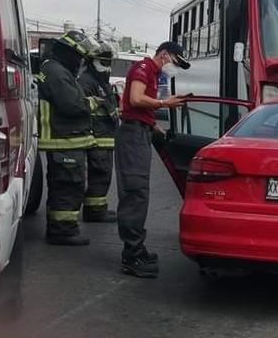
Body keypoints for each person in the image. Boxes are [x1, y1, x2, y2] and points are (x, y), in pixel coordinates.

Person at [116, 42, 189, 278]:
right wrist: (164, 104)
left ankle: (137, 248)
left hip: (141, 132)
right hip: (132, 136)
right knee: (135, 192)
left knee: (140, 193)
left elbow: (138, 108)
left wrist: (154, 126)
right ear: (164, 55)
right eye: (175, 62)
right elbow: (136, 99)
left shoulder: (153, 73)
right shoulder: (143, 68)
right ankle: (132, 255)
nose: (174, 67)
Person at [37, 31, 100, 246]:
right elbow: (71, 104)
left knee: (64, 185)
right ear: (70, 53)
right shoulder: (56, 72)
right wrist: (92, 103)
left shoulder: (53, 68)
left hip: (64, 139)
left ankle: (62, 229)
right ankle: (62, 231)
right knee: (67, 186)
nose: (81, 63)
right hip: (63, 139)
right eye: (80, 57)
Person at [78, 40, 119, 223]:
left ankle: (98, 208)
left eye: (109, 62)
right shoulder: (87, 81)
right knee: (99, 173)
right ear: (91, 60)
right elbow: (85, 108)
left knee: (103, 175)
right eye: (104, 61)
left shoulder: (101, 80)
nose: (107, 66)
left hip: (105, 136)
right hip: (97, 137)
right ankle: (94, 212)